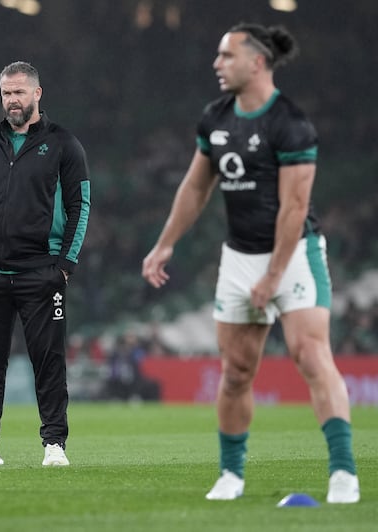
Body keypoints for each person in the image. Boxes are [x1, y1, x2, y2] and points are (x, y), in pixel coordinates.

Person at [142, 23, 359, 504]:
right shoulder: (215, 118)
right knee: (237, 371)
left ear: (256, 62)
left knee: (309, 354)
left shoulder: (292, 124)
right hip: (239, 257)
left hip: (295, 255)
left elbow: (294, 208)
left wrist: (274, 276)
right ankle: (231, 475)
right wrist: (165, 244)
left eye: (226, 55)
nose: (217, 64)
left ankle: (343, 473)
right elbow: (197, 187)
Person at [0, 61, 91, 467]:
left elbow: (81, 203)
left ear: (37, 94)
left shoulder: (64, 144)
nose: (12, 100)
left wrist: (65, 264)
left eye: (20, 92)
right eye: (7, 93)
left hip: (40, 272)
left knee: (48, 361)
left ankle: (54, 446)